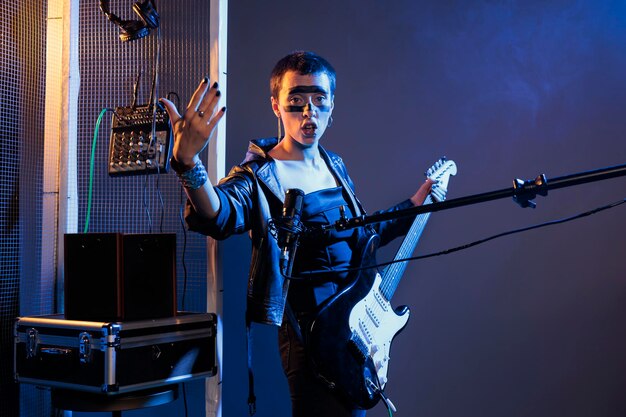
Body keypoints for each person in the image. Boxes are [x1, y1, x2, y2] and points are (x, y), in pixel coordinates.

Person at [160, 51, 433, 417]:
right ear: (276, 106)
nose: (309, 112)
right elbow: (218, 214)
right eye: (296, 102)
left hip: (358, 331)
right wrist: (188, 165)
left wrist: (417, 201)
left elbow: (364, 233)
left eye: (319, 100)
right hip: (310, 337)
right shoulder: (261, 175)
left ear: (332, 105)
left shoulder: (334, 165)